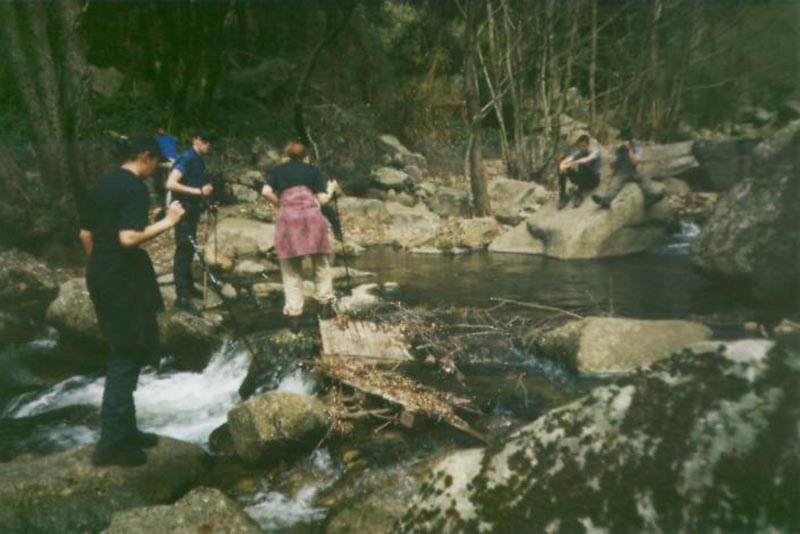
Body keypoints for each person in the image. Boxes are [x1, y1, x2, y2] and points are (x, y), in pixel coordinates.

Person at [79, 136, 186, 466]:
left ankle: (126, 430)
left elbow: (85, 234)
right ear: (144, 156)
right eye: (156, 162)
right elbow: (128, 238)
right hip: (123, 277)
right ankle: (111, 443)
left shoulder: (101, 185)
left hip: (100, 271)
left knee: (126, 349)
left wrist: (103, 265)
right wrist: (168, 222)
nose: (156, 169)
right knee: (126, 355)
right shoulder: (133, 188)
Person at [260, 142, 339, 329]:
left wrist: (279, 203)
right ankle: (325, 305)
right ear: (306, 156)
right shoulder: (312, 170)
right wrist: (332, 188)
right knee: (321, 261)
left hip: (288, 219)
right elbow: (323, 199)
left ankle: (294, 316)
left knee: (291, 267)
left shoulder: (279, 170)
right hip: (311, 217)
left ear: (288, 156)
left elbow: (265, 191)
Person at [165, 129, 215, 313]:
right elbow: (170, 183)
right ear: (196, 139)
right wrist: (199, 192)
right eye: (205, 139)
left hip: (191, 210)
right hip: (181, 210)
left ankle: (188, 286)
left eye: (211, 141)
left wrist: (206, 200)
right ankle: (182, 296)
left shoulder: (198, 159)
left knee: (189, 248)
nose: (208, 144)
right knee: (184, 249)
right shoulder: (187, 157)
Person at [592, 127, 664, 209]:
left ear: (630, 140)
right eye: (622, 139)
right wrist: (615, 158)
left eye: (626, 139)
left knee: (644, 179)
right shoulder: (616, 148)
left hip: (633, 171)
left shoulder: (636, 148)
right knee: (614, 185)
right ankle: (606, 200)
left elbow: (635, 162)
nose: (624, 141)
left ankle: (651, 196)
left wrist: (629, 149)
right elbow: (611, 166)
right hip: (620, 172)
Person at [557, 134, 601, 209]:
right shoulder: (579, 152)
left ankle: (580, 194)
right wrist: (562, 165)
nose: (582, 148)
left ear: (588, 145)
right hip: (582, 179)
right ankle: (563, 195)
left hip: (593, 180)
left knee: (582, 164)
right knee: (563, 167)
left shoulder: (595, 151)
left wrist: (570, 163)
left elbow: (587, 159)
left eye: (584, 146)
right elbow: (567, 159)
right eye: (581, 146)